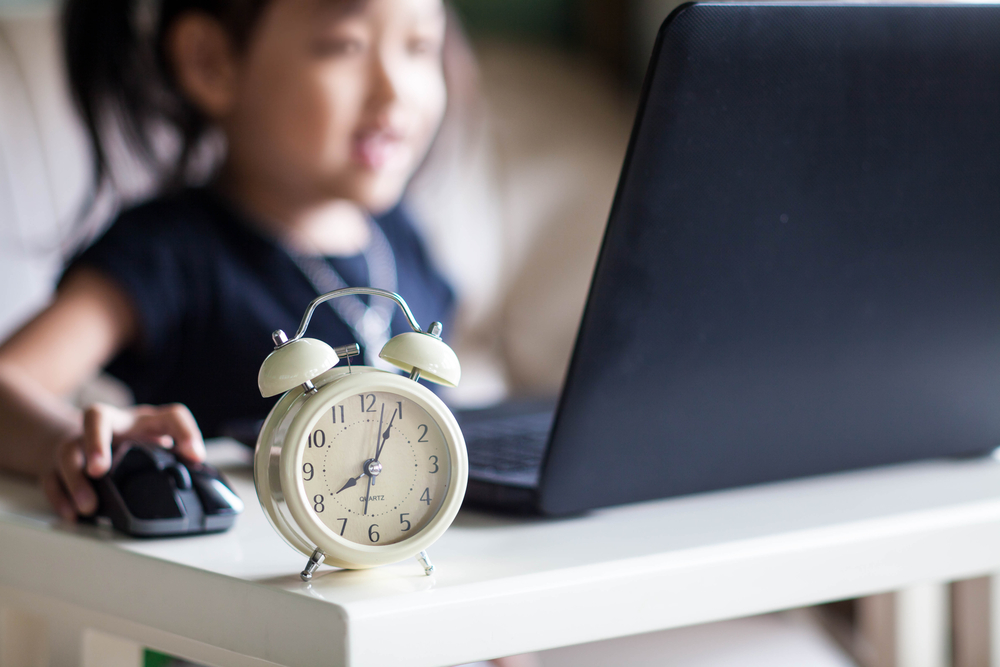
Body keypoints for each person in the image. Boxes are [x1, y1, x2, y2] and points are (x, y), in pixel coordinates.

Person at [0, 0, 456, 521]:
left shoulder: (400, 238)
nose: (395, 90)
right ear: (211, 62)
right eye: (344, 46)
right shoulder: (168, 249)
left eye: (420, 47)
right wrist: (75, 440)